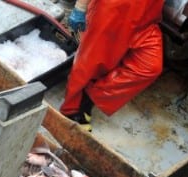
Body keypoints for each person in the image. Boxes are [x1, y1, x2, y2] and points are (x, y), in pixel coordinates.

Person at [61, 0, 165, 131]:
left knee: (150, 68)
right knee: (90, 64)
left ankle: (91, 94)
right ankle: (72, 111)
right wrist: (81, 7)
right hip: (111, 12)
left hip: (147, 19)